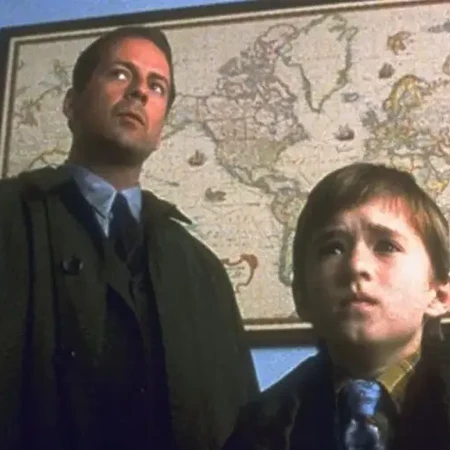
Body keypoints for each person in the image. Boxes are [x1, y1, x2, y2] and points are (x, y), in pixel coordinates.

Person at [0, 26, 258, 450]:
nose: (139, 91)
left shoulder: (202, 270)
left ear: (160, 130)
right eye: (120, 74)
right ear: (71, 103)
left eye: (157, 87)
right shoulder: (8, 215)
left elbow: (240, 420)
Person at [223, 163, 450, 450]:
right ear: (301, 297)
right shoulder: (262, 426)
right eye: (332, 248)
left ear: (439, 295)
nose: (356, 265)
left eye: (386, 246)